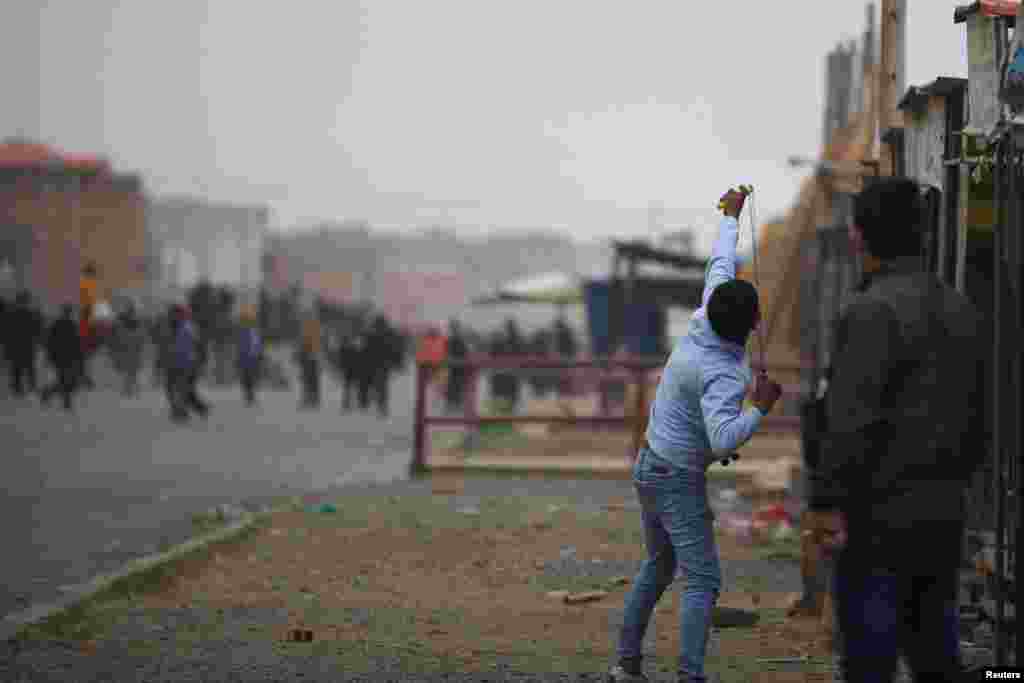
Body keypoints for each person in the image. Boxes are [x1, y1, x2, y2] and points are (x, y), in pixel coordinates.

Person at [808, 177, 988, 683]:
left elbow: (849, 425)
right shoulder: (962, 310)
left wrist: (826, 502)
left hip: (876, 522)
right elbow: (980, 424)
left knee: (870, 658)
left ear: (860, 238)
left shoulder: (870, 311)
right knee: (935, 652)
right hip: (943, 516)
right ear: (924, 235)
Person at [608, 188, 782, 683]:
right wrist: (760, 407)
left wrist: (731, 217)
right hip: (676, 478)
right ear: (750, 326)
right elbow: (725, 439)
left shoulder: (707, 313)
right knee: (702, 579)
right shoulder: (722, 371)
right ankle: (690, 677)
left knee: (659, 566)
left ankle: (627, 663)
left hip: (649, 464)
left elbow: (720, 261)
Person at [170, 304, 210, 422]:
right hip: (186, 362)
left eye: (176, 314)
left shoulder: (187, 328)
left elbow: (196, 345)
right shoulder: (183, 327)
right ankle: (199, 409)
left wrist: (200, 360)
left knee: (183, 389)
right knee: (186, 389)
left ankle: (182, 412)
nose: (174, 316)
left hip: (188, 363)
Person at [40, 304, 82, 411]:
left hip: (63, 357)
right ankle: (65, 402)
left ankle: (48, 393)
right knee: (66, 380)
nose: (68, 314)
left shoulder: (61, 324)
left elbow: (75, 343)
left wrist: (49, 355)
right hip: (62, 357)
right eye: (68, 312)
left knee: (65, 380)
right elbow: (51, 341)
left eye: (69, 312)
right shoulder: (67, 325)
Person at [4, 291, 43, 397]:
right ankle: (30, 386)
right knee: (28, 368)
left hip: (17, 347)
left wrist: (7, 350)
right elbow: (36, 330)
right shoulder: (30, 314)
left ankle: (18, 388)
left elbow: (7, 333)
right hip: (27, 346)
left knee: (17, 368)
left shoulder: (11, 315)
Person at [110, 305, 147, 397]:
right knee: (133, 372)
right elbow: (141, 337)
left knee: (129, 372)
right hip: (133, 349)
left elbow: (119, 338)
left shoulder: (123, 325)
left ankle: (129, 390)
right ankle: (133, 390)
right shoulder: (137, 323)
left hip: (128, 349)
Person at [237, 306, 262, 405]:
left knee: (249, 378)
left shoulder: (252, 331)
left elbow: (256, 345)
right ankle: (249, 395)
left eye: (244, 319)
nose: (243, 321)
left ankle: (250, 396)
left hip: (250, 359)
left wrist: (257, 355)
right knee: (246, 379)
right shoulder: (244, 331)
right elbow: (241, 345)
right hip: (246, 358)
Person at [296, 313, 322, 408]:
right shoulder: (308, 329)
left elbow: (313, 344)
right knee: (309, 379)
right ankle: (311, 399)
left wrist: (312, 353)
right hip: (309, 357)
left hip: (311, 357)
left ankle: (311, 399)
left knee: (310, 379)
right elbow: (302, 343)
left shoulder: (312, 329)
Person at [445, 319, 470, 412]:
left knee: (457, 384)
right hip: (455, 367)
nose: (453, 329)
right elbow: (447, 352)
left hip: (459, 366)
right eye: (452, 327)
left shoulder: (459, 339)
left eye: (454, 327)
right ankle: (452, 403)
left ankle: (455, 403)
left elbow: (464, 352)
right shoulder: (452, 339)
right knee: (453, 384)